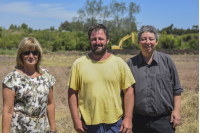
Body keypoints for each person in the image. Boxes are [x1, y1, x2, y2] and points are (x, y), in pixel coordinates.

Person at [68, 24, 135, 133]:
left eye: (101, 39)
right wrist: (76, 120)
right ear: (89, 41)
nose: (97, 42)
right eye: (94, 39)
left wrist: (127, 118)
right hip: (88, 125)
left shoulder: (119, 63)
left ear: (107, 40)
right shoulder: (78, 64)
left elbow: (129, 91)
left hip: (115, 124)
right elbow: (72, 93)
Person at [126, 25, 184, 133]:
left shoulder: (167, 61)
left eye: (151, 39)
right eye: (143, 39)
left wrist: (176, 110)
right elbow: (126, 93)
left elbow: (176, 89)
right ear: (138, 42)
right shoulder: (130, 64)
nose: (147, 42)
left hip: (164, 121)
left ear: (156, 41)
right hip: (138, 121)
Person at [2, 37, 57, 133]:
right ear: (21, 55)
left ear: (39, 55)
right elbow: (8, 111)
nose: (31, 56)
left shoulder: (47, 76)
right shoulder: (12, 78)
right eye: (27, 52)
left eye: (35, 52)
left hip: (41, 129)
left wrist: (53, 129)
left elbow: (50, 103)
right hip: (19, 129)